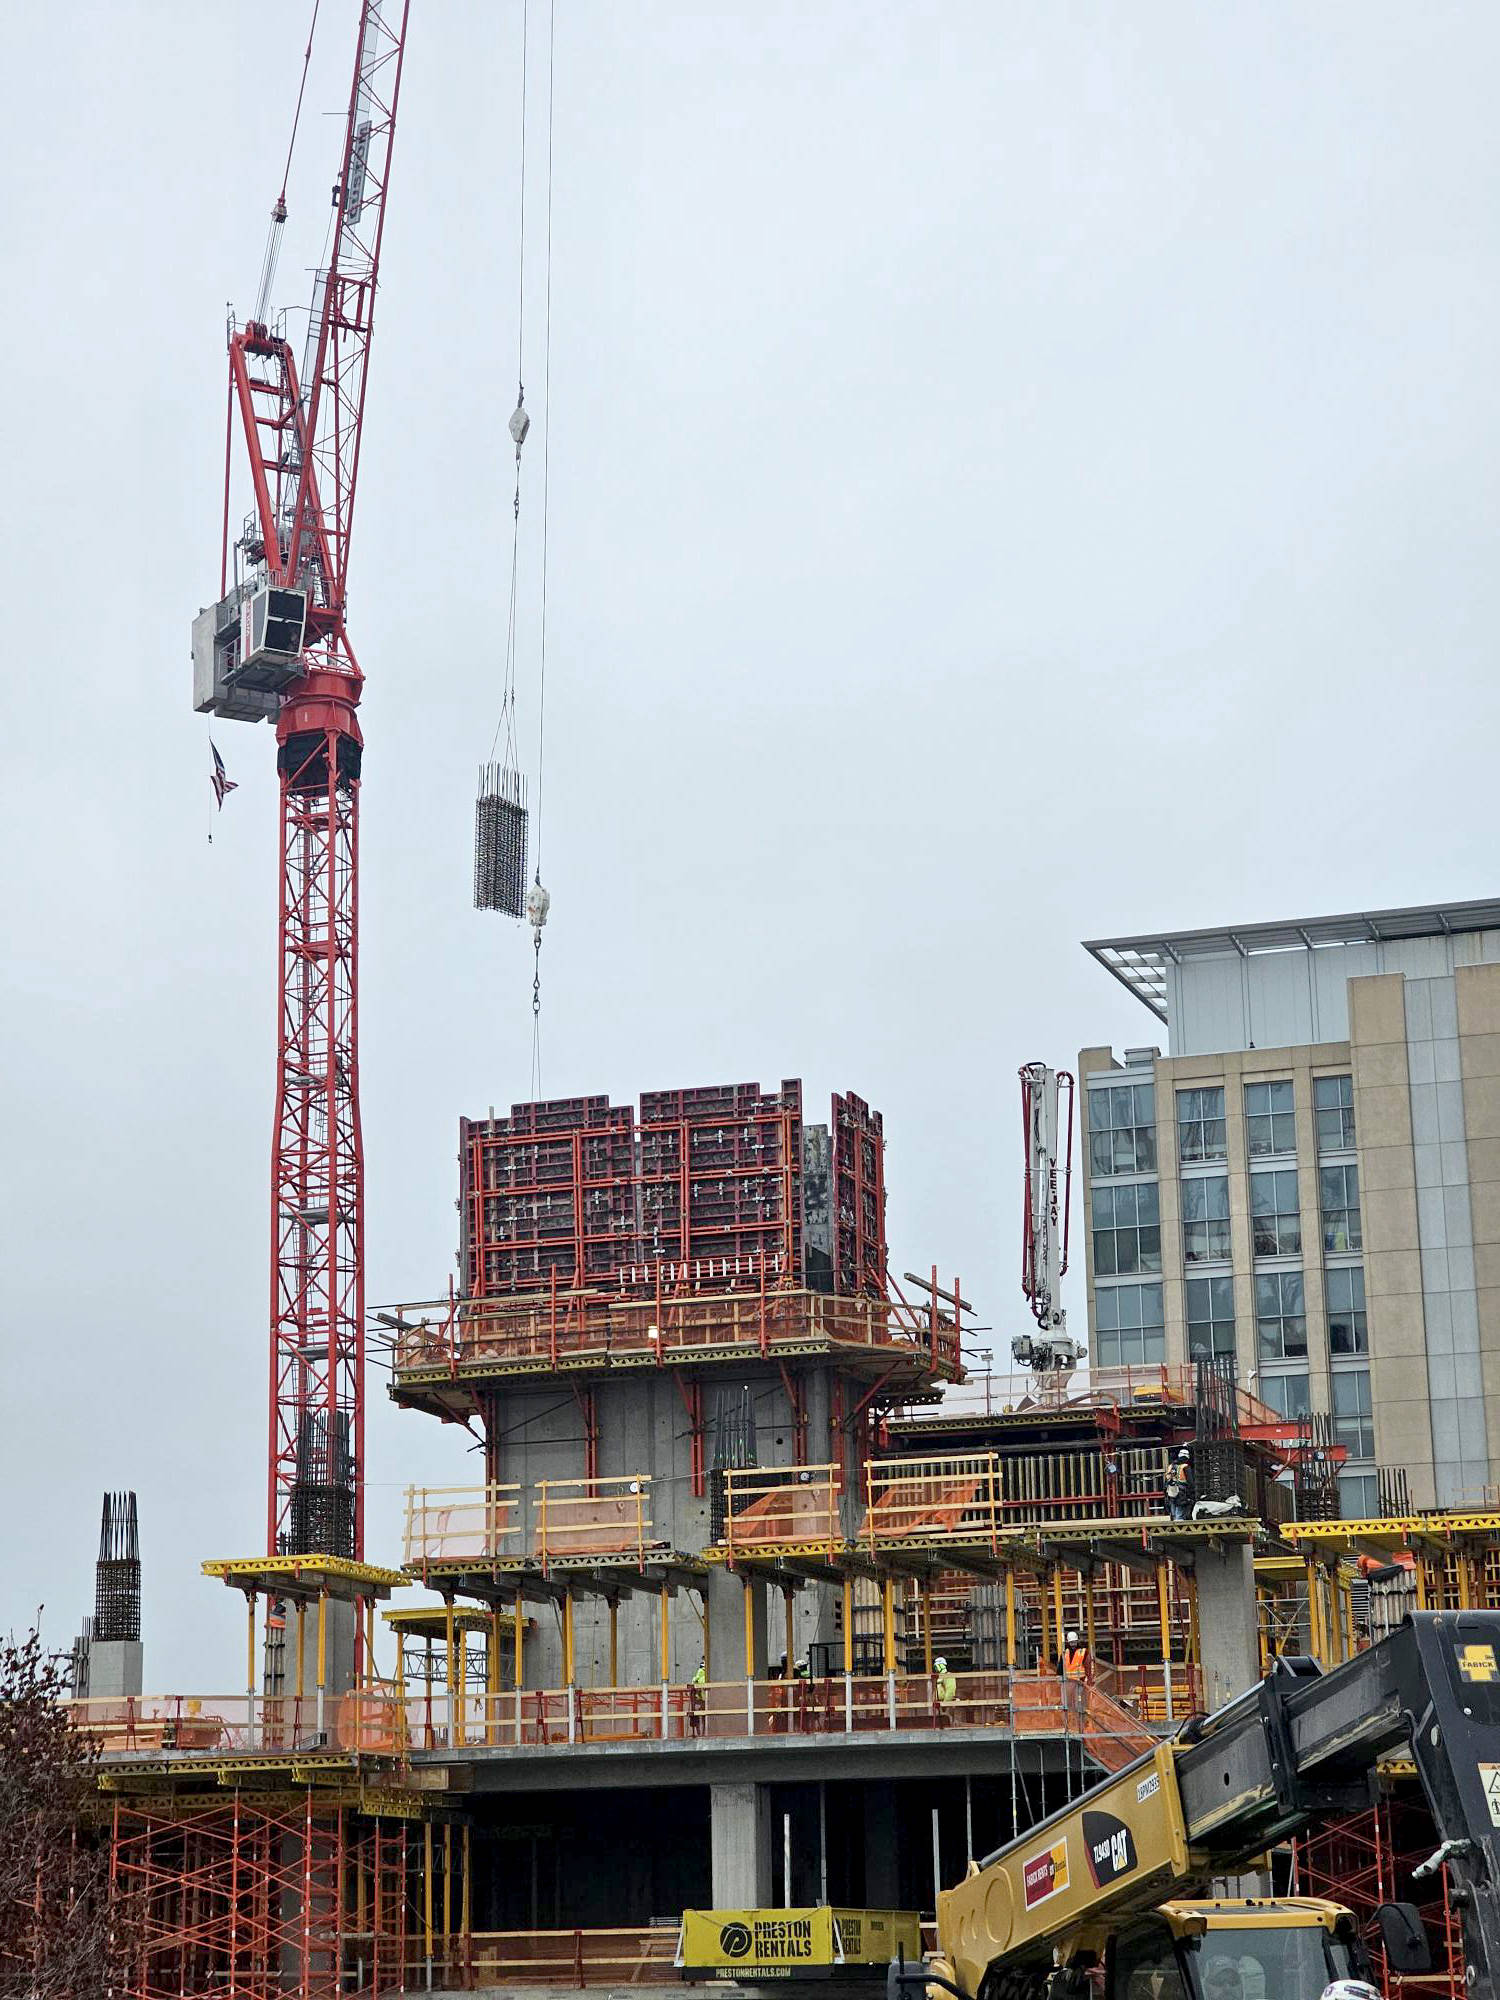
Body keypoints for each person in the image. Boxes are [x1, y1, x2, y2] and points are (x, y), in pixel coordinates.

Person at [1164, 1448, 1194, 1522]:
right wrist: (1191, 1494)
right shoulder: (1185, 1466)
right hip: (1181, 1491)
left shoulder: (1170, 1466)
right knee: (1180, 1509)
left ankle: (1174, 1521)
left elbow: (1166, 1479)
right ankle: (1179, 1523)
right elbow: (1190, 1482)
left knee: (1172, 1508)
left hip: (1170, 1490)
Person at [934, 1655, 957, 1721]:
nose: (936, 1668)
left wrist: (945, 1704)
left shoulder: (948, 1675)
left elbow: (950, 1691)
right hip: (940, 1704)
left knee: (948, 1721)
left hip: (947, 1705)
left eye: (937, 1666)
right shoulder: (939, 1677)